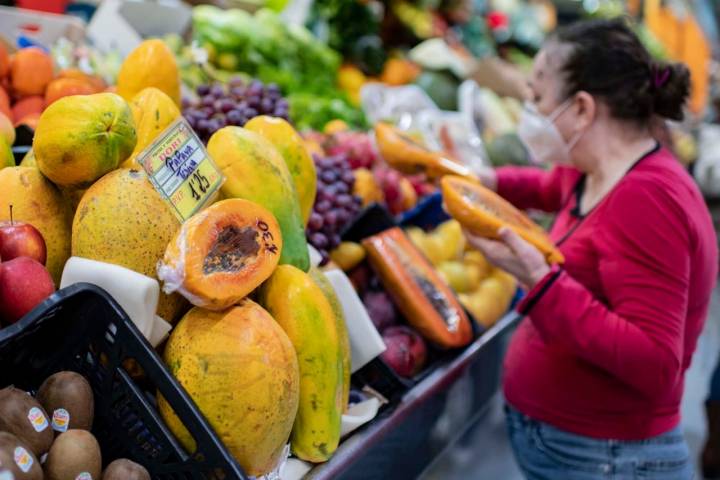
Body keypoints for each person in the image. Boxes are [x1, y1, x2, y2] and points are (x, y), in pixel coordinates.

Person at [465, 19, 718, 479]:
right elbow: (548, 188)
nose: (530, 110)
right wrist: (486, 183)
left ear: (581, 108)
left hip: (606, 459)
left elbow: (657, 364)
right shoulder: (595, 168)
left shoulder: (648, 201)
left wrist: (539, 282)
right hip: (571, 446)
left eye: (537, 98)